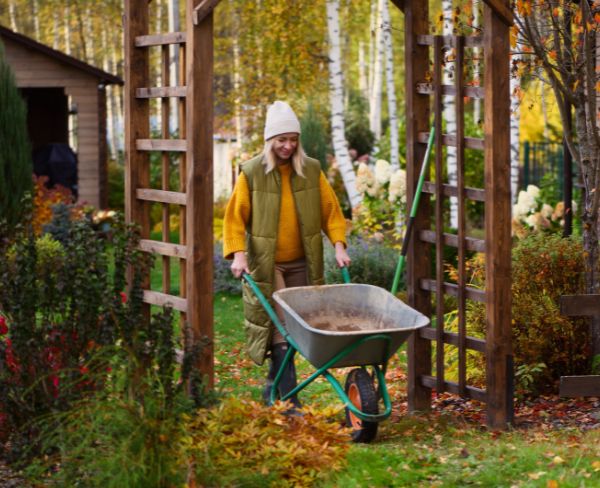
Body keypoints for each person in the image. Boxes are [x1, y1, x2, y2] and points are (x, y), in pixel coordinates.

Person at [223, 100, 351, 409]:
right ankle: (291, 403)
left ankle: (273, 387)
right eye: (282, 139)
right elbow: (234, 218)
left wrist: (339, 245)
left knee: (296, 328)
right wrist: (238, 255)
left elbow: (331, 211)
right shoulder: (252, 173)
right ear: (270, 140)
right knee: (284, 326)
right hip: (269, 264)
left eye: (293, 139)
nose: (288, 145)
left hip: (302, 261)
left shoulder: (311, 170)